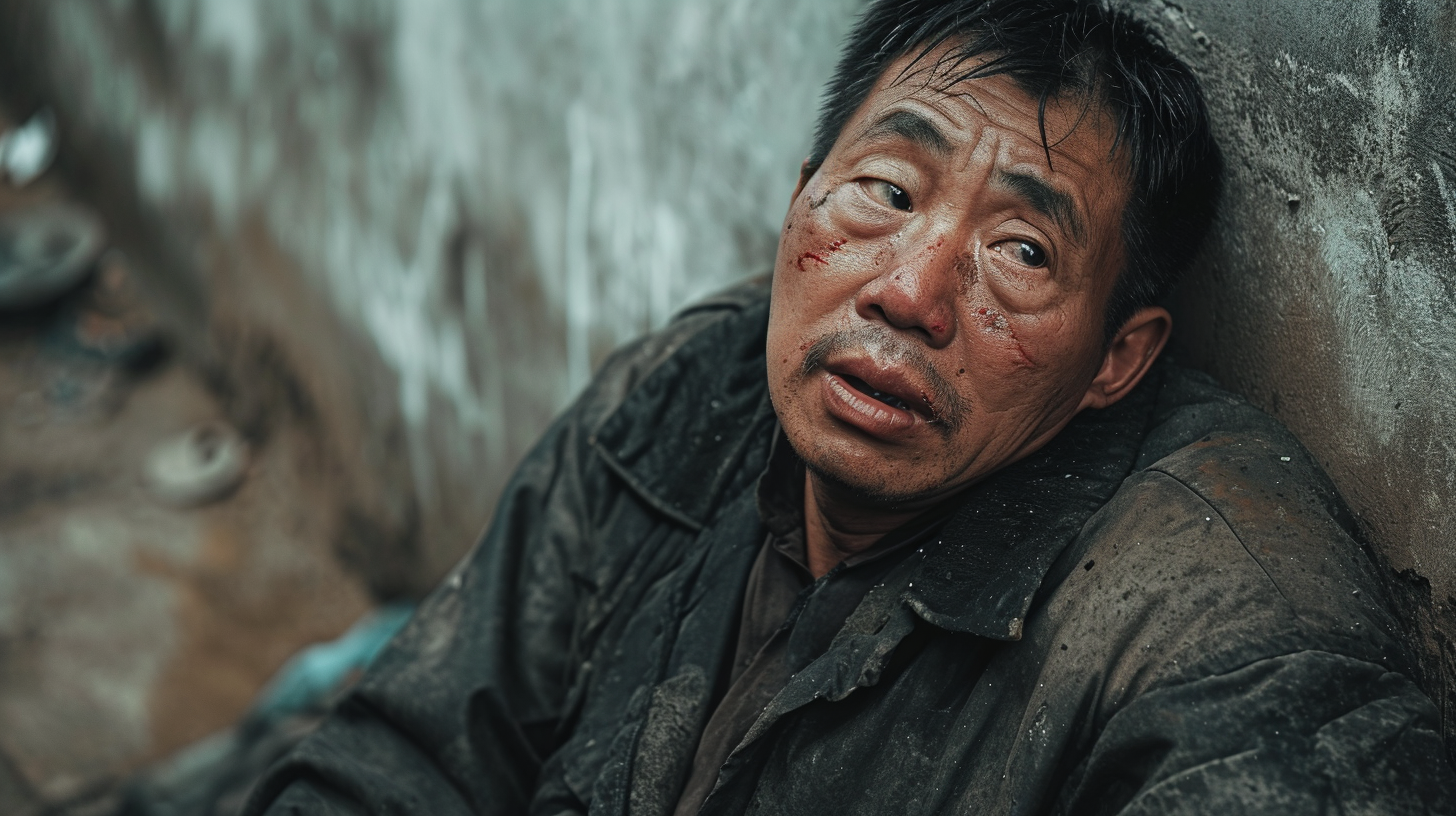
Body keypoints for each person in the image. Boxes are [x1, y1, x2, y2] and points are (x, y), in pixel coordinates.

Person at [245, 0, 1456, 813]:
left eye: (1023, 253)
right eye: (883, 190)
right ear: (798, 201)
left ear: (1117, 359)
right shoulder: (696, 392)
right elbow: (402, 753)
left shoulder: (1217, 641)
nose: (910, 290)